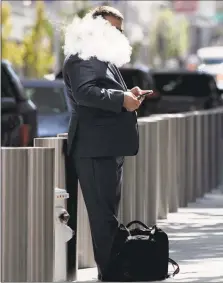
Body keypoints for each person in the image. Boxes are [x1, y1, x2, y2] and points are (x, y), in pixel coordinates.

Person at [63, 6, 150, 281]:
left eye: (121, 31)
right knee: (103, 217)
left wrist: (127, 95)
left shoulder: (103, 57)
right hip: (94, 147)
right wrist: (120, 99)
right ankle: (111, 273)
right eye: (115, 29)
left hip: (107, 146)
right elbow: (85, 93)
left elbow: (104, 90)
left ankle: (114, 269)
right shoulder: (82, 56)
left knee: (108, 214)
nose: (119, 36)